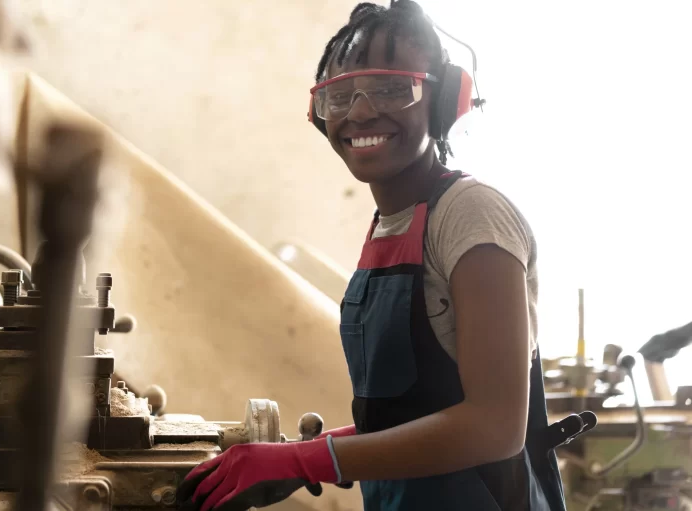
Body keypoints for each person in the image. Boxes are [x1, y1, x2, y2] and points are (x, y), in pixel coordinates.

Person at [177, 1, 566, 510]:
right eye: (338, 96)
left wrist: (310, 461)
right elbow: (413, 410)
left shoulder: (471, 215)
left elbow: (494, 427)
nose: (359, 112)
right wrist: (307, 454)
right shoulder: (391, 222)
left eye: (390, 88)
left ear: (446, 99)